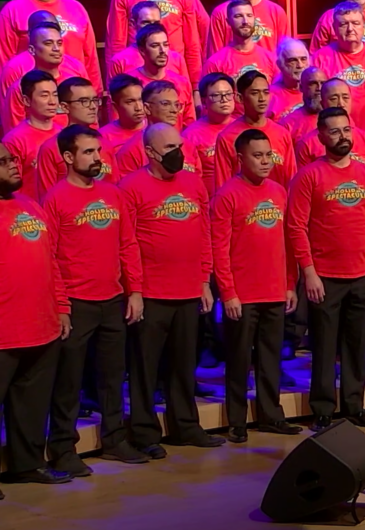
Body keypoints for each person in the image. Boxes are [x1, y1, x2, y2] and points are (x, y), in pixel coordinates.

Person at [42, 125, 147, 474]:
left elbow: (128, 244)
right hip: (76, 302)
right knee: (69, 381)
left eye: (98, 151)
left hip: (113, 299)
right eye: (88, 152)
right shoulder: (55, 198)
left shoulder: (113, 194)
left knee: (113, 376)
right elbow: (49, 258)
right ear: (67, 157)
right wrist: (61, 306)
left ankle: (115, 439)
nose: (97, 158)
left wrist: (135, 290)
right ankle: (62, 447)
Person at [286, 106, 365, 431]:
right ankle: (322, 409)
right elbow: (296, 227)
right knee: (324, 346)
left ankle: (354, 406)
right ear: (321, 136)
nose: (343, 136)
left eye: (346, 130)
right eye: (334, 131)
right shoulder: (308, 176)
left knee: (357, 344)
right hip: (324, 276)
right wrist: (308, 272)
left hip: (361, 274)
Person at [119, 122, 224, 458]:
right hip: (151, 293)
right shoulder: (130, 187)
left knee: (184, 364)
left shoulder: (194, 183)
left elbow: (204, 234)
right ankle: (144, 433)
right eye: (169, 148)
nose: (178, 153)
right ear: (150, 152)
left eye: (179, 146)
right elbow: (127, 243)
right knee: (145, 368)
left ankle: (186, 426)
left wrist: (204, 280)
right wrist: (135, 290)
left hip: (189, 290)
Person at [211, 129, 302, 443]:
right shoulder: (227, 195)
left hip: (275, 291)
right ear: (241, 158)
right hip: (243, 295)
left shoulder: (279, 191)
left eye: (268, 155)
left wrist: (290, 284)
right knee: (239, 359)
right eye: (257, 155)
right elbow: (219, 248)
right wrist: (228, 293)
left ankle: (271, 415)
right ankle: (236, 420)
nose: (265, 161)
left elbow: (288, 243)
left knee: (270, 357)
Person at [0, 141, 72, 490]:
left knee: (31, 404)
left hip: (42, 325)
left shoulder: (30, 204)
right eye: (3, 161)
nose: (13, 164)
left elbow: (51, 262)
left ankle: (27, 465)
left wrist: (62, 307)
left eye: (12, 158)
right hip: (4, 330)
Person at [0, 0, 102, 90]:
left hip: (75, 93)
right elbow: (4, 62)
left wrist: (96, 92)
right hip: (34, 94)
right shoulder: (12, 11)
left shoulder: (76, 8)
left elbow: (90, 56)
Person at [311, 1, 365, 129]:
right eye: (343, 24)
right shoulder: (319, 59)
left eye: (355, 23)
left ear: (364, 26)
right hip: (334, 133)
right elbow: (313, 102)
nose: (350, 29)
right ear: (334, 28)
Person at [214, 70, 296, 189]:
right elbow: (222, 186)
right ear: (240, 98)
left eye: (266, 92)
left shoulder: (282, 134)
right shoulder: (227, 137)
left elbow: (291, 179)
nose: (262, 98)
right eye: (255, 93)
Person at [36, 77, 116, 198]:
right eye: (84, 101)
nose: (93, 106)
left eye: (95, 100)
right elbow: (47, 197)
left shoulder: (105, 143)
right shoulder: (51, 148)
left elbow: (115, 187)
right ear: (64, 107)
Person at [3, 21, 88, 133]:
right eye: (48, 43)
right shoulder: (20, 88)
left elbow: (90, 121)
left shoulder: (74, 82)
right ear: (32, 50)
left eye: (59, 43)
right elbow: (14, 134)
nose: (56, 48)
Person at [202, 0, 279, 116]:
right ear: (228, 21)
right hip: (231, 125)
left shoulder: (271, 59)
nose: (245, 21)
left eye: (249, 15)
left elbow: (278, 99)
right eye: (238, 16)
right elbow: (208, 109)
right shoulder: (215, 63)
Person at [115, 81, 203, 175]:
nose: (174, 110)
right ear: (147, 108)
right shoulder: (131, 152)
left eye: (177, 105)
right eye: (165, 104)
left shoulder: (188, 147)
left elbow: (197, 180)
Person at [295, 79, 365, 169]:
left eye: (345, 98)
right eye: (334, 99)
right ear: (322, 103)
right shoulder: (307, 144)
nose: (341, 104)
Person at [3, 70, 59, 202]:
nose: (52, 102)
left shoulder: (63, 134)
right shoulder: (14, 141)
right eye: (44, 95)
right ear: (26, 100)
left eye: (55, 95)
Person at [106, 0, 189, 88]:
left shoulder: (177, 59)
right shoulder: (119, 62)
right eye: (146, 22)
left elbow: (186, 91)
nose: (152, 27)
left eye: (156, 23)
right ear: (133, 23)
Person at [129, 23, 195, 127]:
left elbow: (189, 125)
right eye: (155, 46)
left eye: (165, 45)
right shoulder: (130, 85)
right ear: (142, 50)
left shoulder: (182, 83)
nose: (162, 51)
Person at [183, 73, 236, 195]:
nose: (224, 100)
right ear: (203, 100)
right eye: (216, 95)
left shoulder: (244, 128)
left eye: (228, 94)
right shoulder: (190, 135)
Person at [99, 73, 148, 154]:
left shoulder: (156, 129)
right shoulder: (103, 137)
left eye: (141, 100)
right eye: (130, 102)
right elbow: (103, 162)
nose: (139, 108)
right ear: (115, 106)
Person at [280, 66, 327, 143]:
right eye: (313, 84)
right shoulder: (288, 124)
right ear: (301, 87)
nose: (319, 88)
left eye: (323, 83)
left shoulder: (339, 118)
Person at [267, 38, 308, 120]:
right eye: (293, 60)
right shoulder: (269, 95)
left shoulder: (316, 92)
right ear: (279, 64)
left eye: (303, 59)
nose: (300, 65)